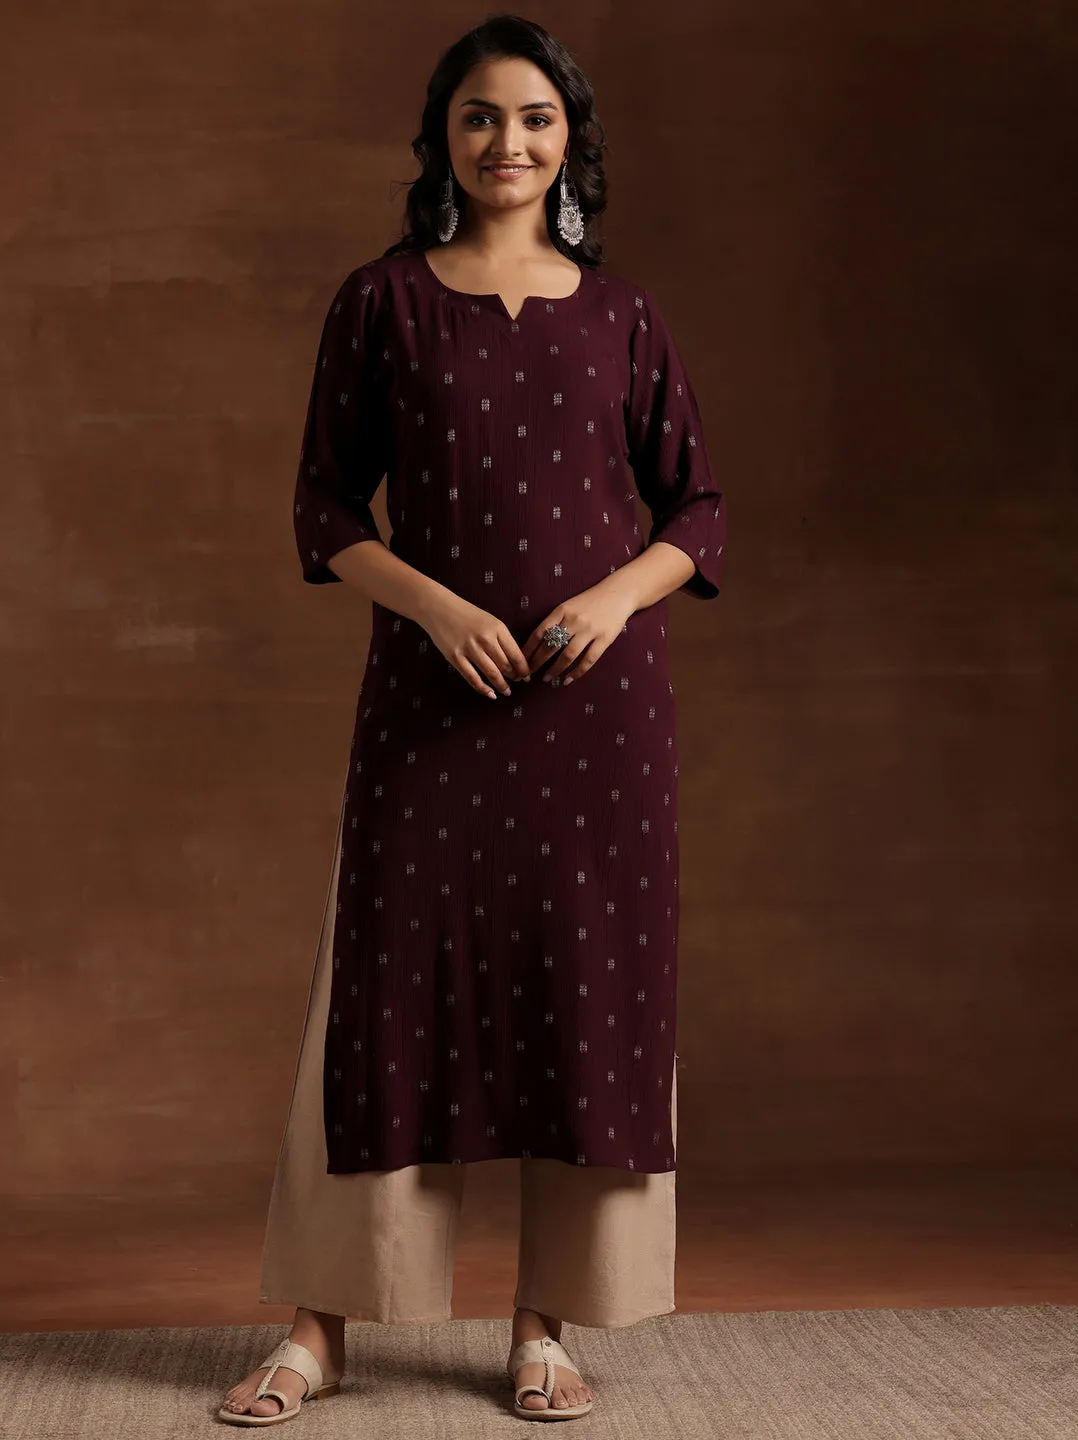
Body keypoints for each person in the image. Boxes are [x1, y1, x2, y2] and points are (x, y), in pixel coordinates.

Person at [219, 12, 725, 1426]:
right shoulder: (380, 301)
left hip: (597, 716)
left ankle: (544, 1326)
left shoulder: (625, 318)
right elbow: (325, 505)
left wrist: (616, 597)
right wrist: (434, 610)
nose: (510, 142)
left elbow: (698, 509)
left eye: (536, 118)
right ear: (442, 140)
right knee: (383, 994)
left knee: (588, 995)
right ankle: (320, 1329)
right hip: (428, 707)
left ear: (572, 141)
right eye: (481, 117)